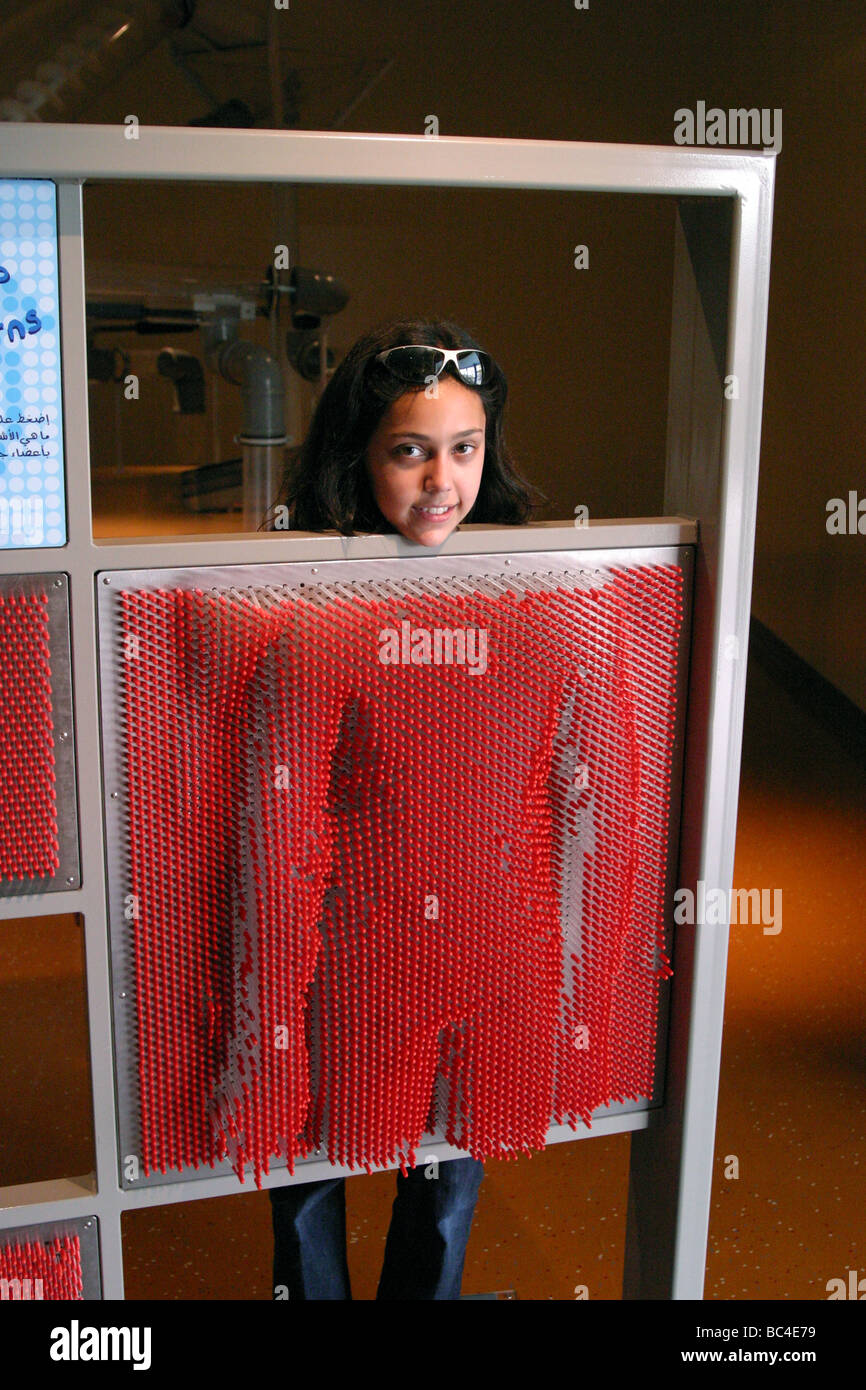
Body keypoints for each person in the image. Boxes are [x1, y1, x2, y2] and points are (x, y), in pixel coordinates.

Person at [260, 317, 541, 1300]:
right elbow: (278, 801)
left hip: (470, 932)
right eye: (408, 451)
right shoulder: (312, 596)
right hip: (336, 939)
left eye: (462, 449)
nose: (440, 482)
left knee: (445, 1175)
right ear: (358, 455)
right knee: (307, 1167)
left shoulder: (514, 589)